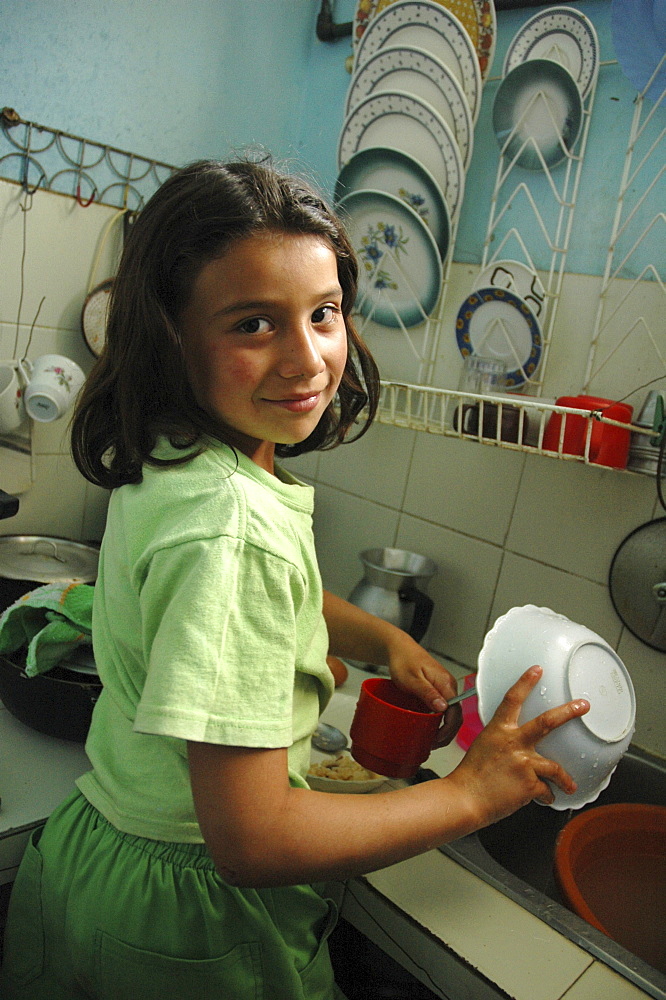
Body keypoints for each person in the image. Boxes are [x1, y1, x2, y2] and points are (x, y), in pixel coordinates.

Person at [0, 158, 589, 1000]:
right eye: (253, 324)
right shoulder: (233, 527)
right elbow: (253, 842)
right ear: (172, 333)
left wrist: (381, 638)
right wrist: (470, 794)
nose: (308, 358)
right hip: (187, 917)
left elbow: (253, 602)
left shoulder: (181, 457)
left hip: (97, 855)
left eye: (324, 313)